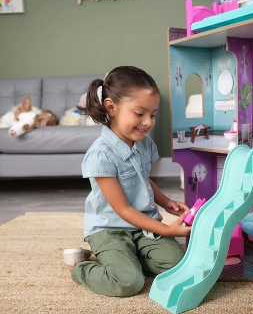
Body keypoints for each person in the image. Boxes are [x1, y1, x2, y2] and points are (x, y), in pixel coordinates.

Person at [64, 66, 191, 297]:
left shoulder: (144, 144)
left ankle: (129, 259)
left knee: (176, 265)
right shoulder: (101, 155)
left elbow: (143, 179)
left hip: (142, 226)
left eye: (153, 114)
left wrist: (166, 202)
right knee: (128, 283)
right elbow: (123, 209)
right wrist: (167, 230)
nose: (148, 122)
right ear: (111, 107)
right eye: (140, 113)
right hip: (110, 229)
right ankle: (82, 268)